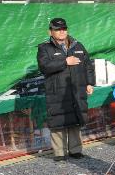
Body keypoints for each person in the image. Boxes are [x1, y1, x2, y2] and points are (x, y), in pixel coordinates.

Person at [37, 17, 95, 162]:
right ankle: (59, 153)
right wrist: (65, 62)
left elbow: (88, 65)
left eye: (64, 28)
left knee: (75, 119)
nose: (61, 31)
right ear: (50, 32)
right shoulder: (44, 48)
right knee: (58, 121)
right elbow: (44, 67)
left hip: (77, 89)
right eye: (58, 29)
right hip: (57, 92)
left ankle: (75, 150)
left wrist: (89, 83)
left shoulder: (78, 45)